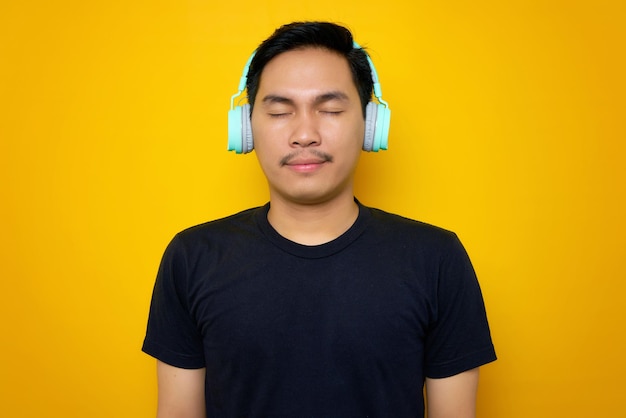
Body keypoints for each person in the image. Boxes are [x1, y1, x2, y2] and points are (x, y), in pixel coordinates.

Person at [142, 21, 496, 417]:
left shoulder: (437, 259)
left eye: (329, 109)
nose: (305, 134)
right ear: (245, 128)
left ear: (370, 124)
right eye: (279, 111)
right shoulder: (192, 258)